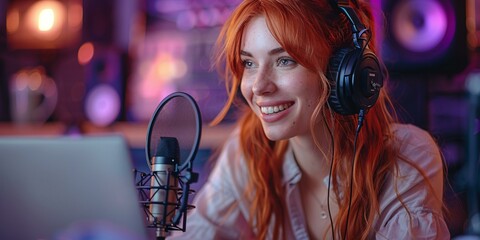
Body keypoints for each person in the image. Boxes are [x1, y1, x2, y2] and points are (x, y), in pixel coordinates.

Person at [171, 0, 450, 239]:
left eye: (284, 60)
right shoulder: (248, 150)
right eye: (249, 63)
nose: (257, 87)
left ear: (341, 70)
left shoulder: (407, 157)